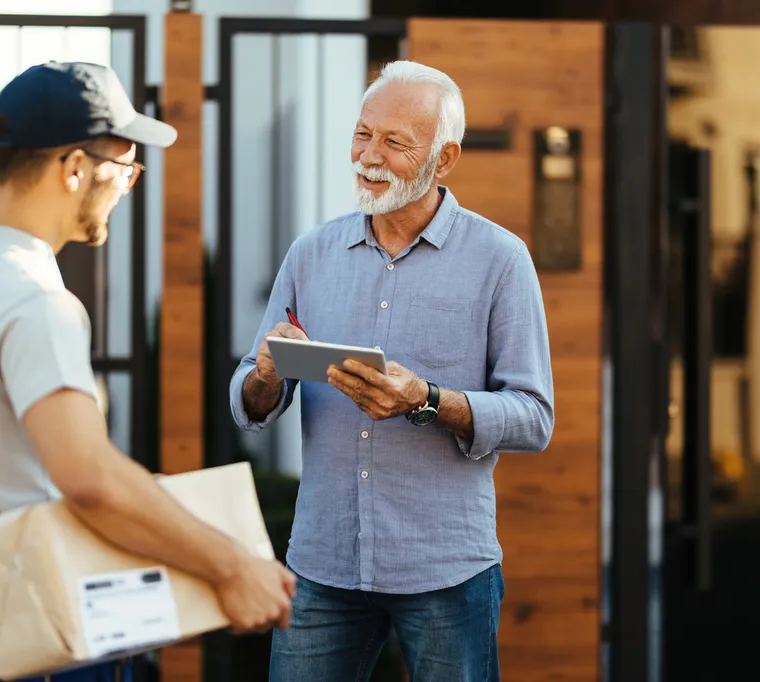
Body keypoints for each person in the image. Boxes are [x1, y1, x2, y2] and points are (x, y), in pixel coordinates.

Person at [0, 61, 296, 682]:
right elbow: (89, 478)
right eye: (126, 168)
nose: (128, 185)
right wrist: (232, 565)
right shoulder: (34, 300)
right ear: (75, 167)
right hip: (42, 625)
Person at [229, 60, 555, 682]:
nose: (368, 156)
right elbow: (250, 398)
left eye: (394, 142)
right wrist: (268, 371)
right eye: (362, 133)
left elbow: (534, 417)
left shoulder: (501, 260)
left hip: (445, 571)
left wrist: (427, 401)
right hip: (322, 565)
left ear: (446, 158)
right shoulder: (311, 253)